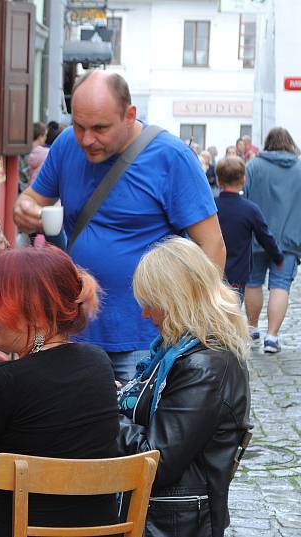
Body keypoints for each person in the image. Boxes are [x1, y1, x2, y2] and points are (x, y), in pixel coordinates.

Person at [13, 70, 225, 382]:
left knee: (135, 428)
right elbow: (29, 201)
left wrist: (191, 327)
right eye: (79, 126)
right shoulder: (66, 147)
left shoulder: (171, 157)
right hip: (73, 328)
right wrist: (25, 210)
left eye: (100, 128)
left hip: (145, 338)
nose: (87, 139)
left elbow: (213, 245)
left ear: (129, 115)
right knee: (72, 426)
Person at [0, 245, 120, 537]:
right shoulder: (99, 363)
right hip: (97, 532)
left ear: (36, 312)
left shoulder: (5, 383)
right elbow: (61, 457)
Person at [117, 237, 250, 537]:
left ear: (176, 302)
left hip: (172, 521)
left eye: (151, 304)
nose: (146, 314)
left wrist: (100, 412)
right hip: (169, 513)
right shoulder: (186, 351)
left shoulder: (206, 365)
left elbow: (156, 459)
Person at [243, 127, 301, 353]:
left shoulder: (254, 166)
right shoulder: (299, 168)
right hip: (288, 240)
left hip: (257, 237)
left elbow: (244, 196)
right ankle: (272, 337)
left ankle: (253, 329)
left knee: (253, 282)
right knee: (280, 286)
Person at [214, 156, 283, 302]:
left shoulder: (210, 207)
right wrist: (277, 257)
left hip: (212, 273)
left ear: (219, 181)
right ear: (243, 180)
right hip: (237, 276)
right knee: (233, 314)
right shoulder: (250, 210)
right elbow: (265, 236)